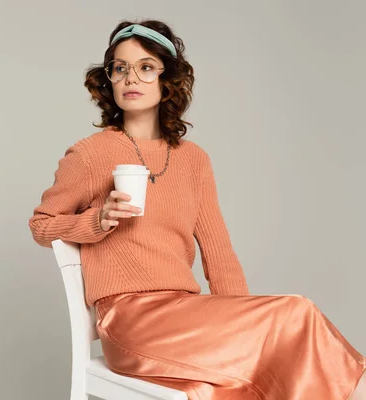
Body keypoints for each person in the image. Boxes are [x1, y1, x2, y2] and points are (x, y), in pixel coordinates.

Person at [28, 19, 366, 399]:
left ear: (166, 79)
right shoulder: (90, 155)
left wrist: (243, 320)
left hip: (186, 313)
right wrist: (97, 220)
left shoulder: (194, 160)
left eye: (145, 67)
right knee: (296, 313)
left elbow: (219, 253)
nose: (130, 78)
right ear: (109, 79)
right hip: (130, 320)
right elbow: (42, 226)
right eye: (119, 68)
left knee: (239, 379)